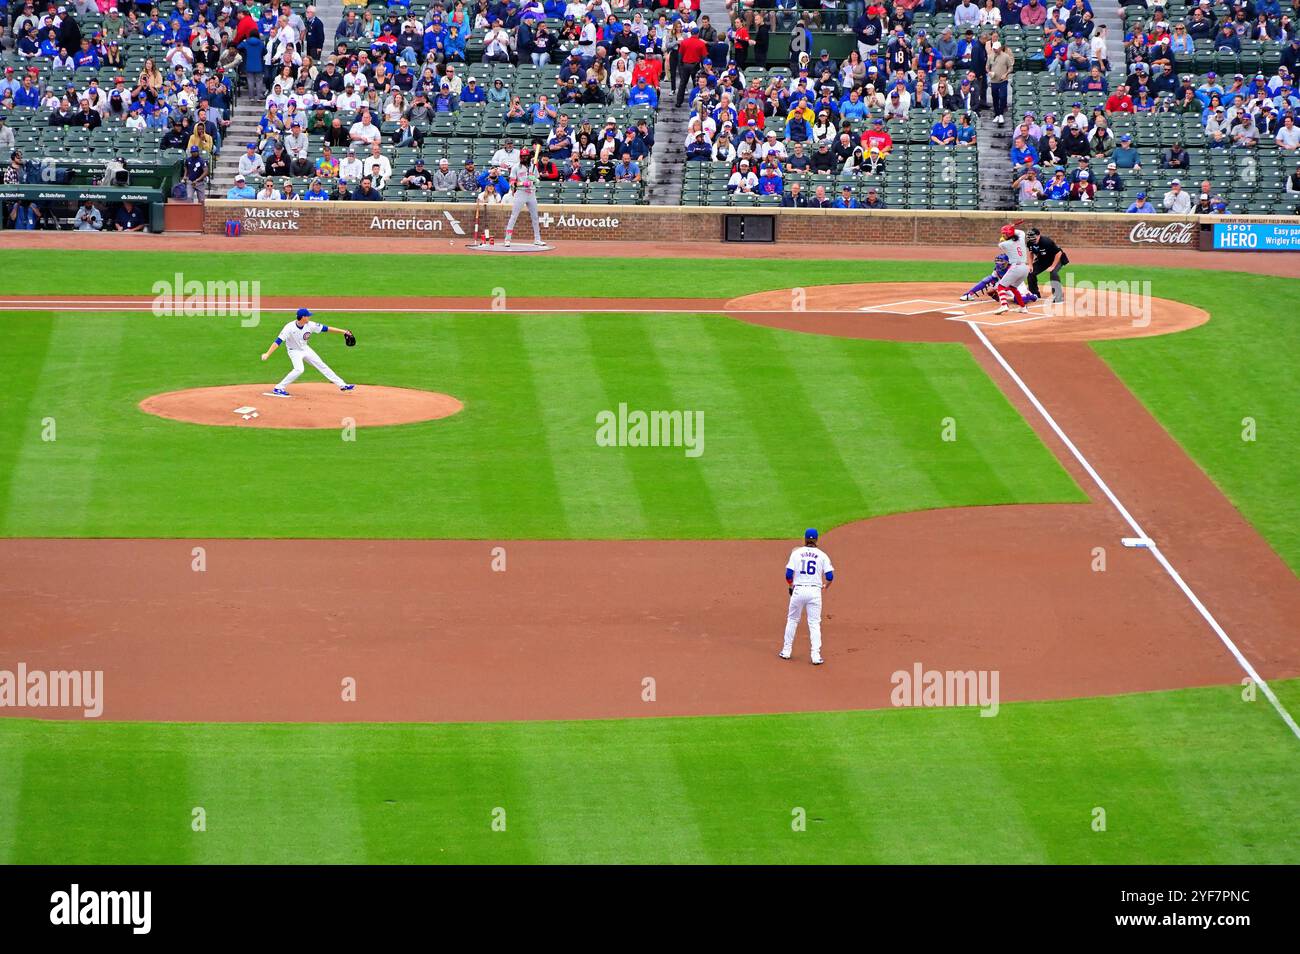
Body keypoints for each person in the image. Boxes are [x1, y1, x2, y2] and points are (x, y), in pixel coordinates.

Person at [261, 308, 355, 396]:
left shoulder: (310, 325)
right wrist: (267, 354)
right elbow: (278, 341)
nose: (309, 317)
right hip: (294, 351)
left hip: (305, 349)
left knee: (322, 365)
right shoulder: (289, 327)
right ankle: (278, 388)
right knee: (299, 369)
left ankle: (342, 385)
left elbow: (326, 329)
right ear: (303, 317)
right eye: (308, 316)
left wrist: (343, 331)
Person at [779, 528, 834, 666]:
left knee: (792, 620)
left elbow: (788, 575)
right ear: (816, 539)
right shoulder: (823, 555)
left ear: (804, 539)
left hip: (799, 590)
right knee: (814, 624)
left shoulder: (796, 553)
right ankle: (816, 656)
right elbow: (830, 576)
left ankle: (786, 651)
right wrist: (825, 586)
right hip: (815, 593)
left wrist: (791, 585)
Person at [503, 147, 544, 247]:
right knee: (514, 216)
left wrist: (534, 179)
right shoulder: (516, 167)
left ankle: (537, 239)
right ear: (520, 157)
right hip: (520, 193)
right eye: (522, 156)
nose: (524, 158)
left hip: (531, 193)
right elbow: (512, 183)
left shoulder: (533, 166)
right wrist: (522, 183)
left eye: (526, 156)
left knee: (535, 217)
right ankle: (507, 239)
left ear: (529, 156)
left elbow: (538, 180)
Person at [1026, 228, 1069, 303]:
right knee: (1030, 273)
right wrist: (1030, 265)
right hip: (1043, 260)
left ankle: (1058, 297)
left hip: (1057, 259)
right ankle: (1034, 294)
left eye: (1033, 237)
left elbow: (1058, 253)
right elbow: (1030, 253)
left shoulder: (1046, 242)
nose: (1031, 239)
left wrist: (1052, 266)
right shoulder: (1030, 242)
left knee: (1053, 273)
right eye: (1030, 237)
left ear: (1038, 235)